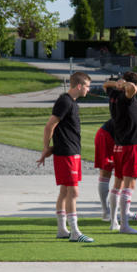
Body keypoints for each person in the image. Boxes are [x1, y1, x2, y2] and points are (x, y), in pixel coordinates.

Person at [37, 71, 94, 243]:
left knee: (65, 191)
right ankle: (75, 232)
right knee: (73, 191)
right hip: (67, 154)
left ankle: (62, 230)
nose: (88, 90)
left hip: (71, 152)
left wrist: (52, 148)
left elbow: (63, 130)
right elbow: (49, 126)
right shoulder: (65, 101)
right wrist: (46, 148)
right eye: (87, 86)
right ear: (79, 86)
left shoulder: (72, 103)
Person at [102, 71, 137, 234]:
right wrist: (124, 84)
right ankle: (125, 225)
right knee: (129, 185)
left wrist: (116, 83)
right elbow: (133, 88)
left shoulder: (114, 92)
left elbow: (105, 84)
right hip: (130, 146)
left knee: (117, 185)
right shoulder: (125, 95)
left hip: (119, 145)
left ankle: (114, 222)